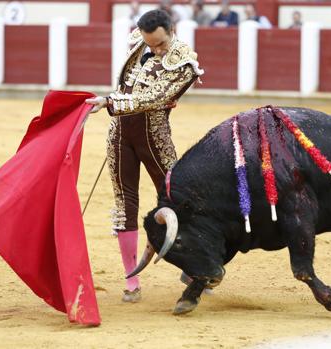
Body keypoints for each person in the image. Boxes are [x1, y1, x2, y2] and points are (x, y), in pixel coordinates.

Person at [85, 9, 203, 303]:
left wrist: (110, 102)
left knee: (178, 198)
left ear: (172, 30)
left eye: (160, 44)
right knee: (125, 203)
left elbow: (155, 98)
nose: (155, 49)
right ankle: (132, 281)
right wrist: (112, 102)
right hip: (120, 135)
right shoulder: (140, 40)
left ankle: (195, 265)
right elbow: (127, 81)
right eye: (151, 44)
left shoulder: (185, 63)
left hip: (154, 137)